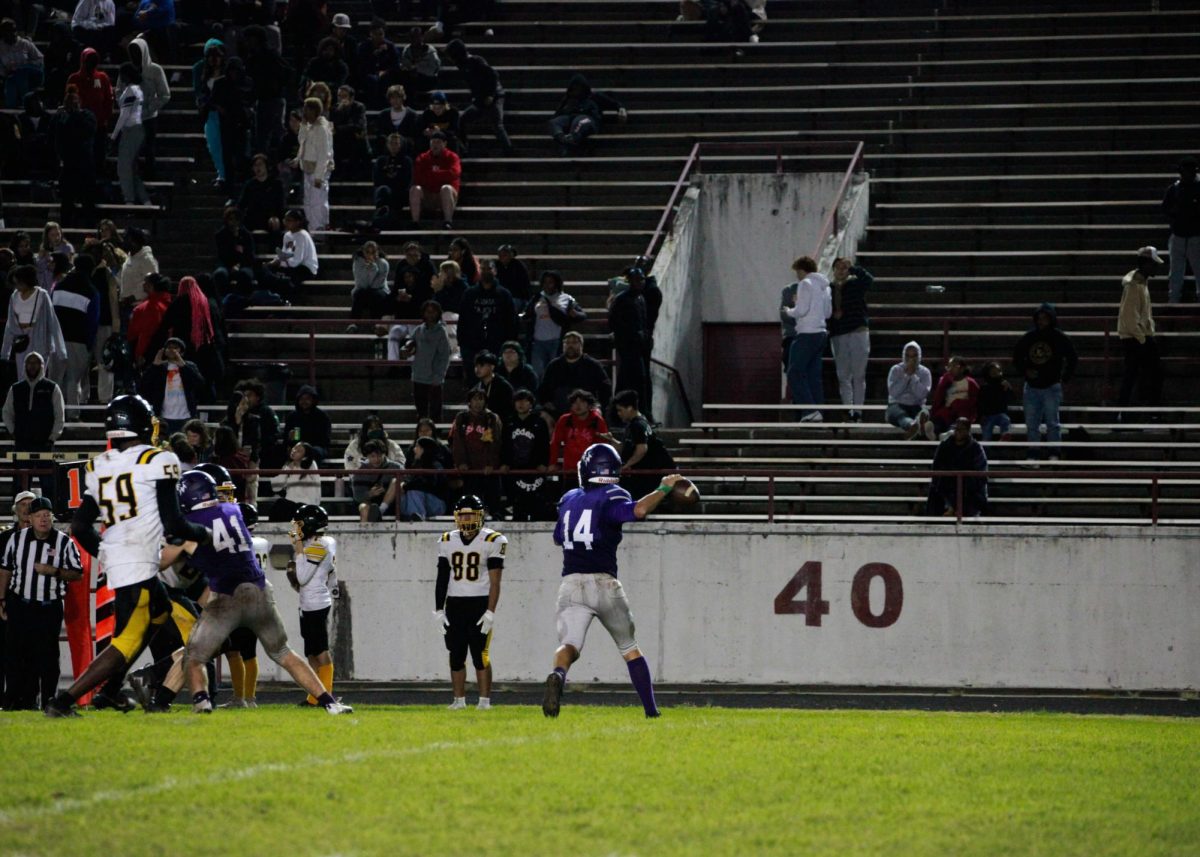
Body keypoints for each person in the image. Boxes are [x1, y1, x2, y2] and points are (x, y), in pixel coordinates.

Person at [45, 395, 210, 718]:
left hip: (120, 557)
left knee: (160, 612)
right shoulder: (158, 460)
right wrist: (203, 535)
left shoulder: (99, 465)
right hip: (137, 560)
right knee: (127, 639)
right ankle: (63, 701)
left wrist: (107, 553)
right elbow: (174, 522)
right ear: (142, 424)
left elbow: (79, 526)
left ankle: (108, 692)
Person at [160, 472, 350, 714]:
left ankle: (201, 702)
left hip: (226, 595)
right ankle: (329, 702)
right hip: (259, 590)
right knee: (283, 652)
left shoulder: (191, 523)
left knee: (195, 655)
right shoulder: (234, 512)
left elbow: (164, 561)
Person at [542, 443, 682, 718]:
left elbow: (559, 537)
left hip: (570, 583)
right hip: (604, 584)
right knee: (629, 648)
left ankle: (558, 674)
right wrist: (663, 489)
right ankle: (651, 712)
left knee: (569, 645)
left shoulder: (570, 498)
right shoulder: (613, 494)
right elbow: (638, 511)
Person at [0, 496, 83, 710]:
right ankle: (15, 701)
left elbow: (77, 573)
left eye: (47, 515)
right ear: (30, 518)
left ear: (52, 517)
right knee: (15, 654)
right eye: (38, 515)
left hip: (49, 606)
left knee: (47, 656)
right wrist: (1, 599)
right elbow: (5, 570)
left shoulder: (64, 541)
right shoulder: (17, 539)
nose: (43, 519)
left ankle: (48, 700)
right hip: (20, 603)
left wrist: (53, 571)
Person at [434, 495, 504, 710]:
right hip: (455, 604)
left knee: (479, 655)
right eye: (462, 515)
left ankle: (484, 701)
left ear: (480, 516)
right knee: (456, 654)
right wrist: (438, 609)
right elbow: (442, 577)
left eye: (470, 515)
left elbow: (495, 581)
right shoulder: (447, 540)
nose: (466, 519)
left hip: (479, 603)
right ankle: (458, 701)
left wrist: (490, 611)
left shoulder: (493, 540)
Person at [285, 503, 339, 707]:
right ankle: (316, 695)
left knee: (320, 651)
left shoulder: (319, 545)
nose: (296, 528)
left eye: (299, 524)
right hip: (310, 602)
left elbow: (302, 576)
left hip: (315, 603)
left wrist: (298, 546)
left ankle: (326, 696)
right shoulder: (324, 541)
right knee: (311, 652)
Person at [1012, 302, 1078, 462]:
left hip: (1051, 386)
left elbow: (1072, 357)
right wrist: (1025, 371)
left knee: (1052, 422)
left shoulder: (1059, 337)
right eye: (1039, 318)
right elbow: (1016, 357)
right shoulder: (1029, 337)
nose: (1041, 321)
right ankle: (1033, 452)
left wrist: (1064, 377)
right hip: (1032, 387)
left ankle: (1054, 451)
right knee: (1031, 422)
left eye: (1045, 318)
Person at [2, 353, 65, 502]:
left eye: (36, 363)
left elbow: (60, 415)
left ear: (42, 366)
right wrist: (14, 432)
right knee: (20, 486)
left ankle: (51, 514)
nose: (32, 366)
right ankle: (18, 517)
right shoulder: (16, 388)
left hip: (45, 444)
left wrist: (52, 438)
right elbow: (6, 412)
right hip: (22, 444)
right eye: (29, 363)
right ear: (25, 366)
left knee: (48, 484)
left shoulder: (52, 388)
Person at [50, 255, 100, 420]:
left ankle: (53, 413)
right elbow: (92, 322)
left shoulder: (58, 286)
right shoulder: (91, 291)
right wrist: (89, 343)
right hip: (78, 341)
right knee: (73, 380)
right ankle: (72, 415)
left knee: (55, 378)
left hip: (57, 340)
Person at [783, 256, 832, 422]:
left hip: (807, 333)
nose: (797, 276)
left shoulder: (805, 284)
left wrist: (789, 309)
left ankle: (809, 410)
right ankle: (819, 411)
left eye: (797, 272)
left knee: (794, 372)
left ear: (802, 270)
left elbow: (801, 310)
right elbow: (828, 313)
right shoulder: (825, 287)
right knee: (813, 375)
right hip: (821, 333)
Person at [1118, 247, 1164, 413]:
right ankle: (1136, 411)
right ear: (1146, 264)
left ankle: (1127, 412)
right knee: (1145, 375)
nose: (1156, 268)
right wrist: (1143, 339)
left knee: (1136, 375)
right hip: (1136, 338)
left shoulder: (1140, 283)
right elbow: (1130, 318)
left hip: (1137, 336)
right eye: (1153, 264)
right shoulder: (1134, 286)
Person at [444, 39, 511, 155]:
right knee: (462, 119)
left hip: (494, 97)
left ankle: (508, 151)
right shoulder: (462, 65)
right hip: (480, 100)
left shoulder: (476, 61)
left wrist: (490, 95)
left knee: (497, 125)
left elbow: (493, 76)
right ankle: (465, 148)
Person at [0, 490, 36, 704]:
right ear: (15, 509)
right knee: (6, 651)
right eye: (22, 504)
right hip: (11, 600)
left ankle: (30, 698)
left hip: (36, 601)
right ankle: (7, 699)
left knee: (33, 653)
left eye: (31, 504)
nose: (26, 508)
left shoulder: (47, 536)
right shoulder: (5, 537)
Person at [2, 265, 66, 382]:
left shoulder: (42, 295)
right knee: (22, 376)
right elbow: (10, 325)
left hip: (39, 338)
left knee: (38, 375)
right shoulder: (14, 296)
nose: (17, 286)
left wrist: (60, 350)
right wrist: (5, 352)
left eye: (20, 283)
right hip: (21, 339)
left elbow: (52, 321)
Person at [827, 257, 873, 421]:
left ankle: (858, 411)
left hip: (857, 330)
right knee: (843, 375)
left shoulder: (855, 284)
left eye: (844, 268)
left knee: (859, 374)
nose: (841, 270)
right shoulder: (828, 289)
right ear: (833, 270)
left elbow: (869, 280)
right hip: (839, 333)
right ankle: (848, 409)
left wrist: (853, 269)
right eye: (838, 267)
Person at [611, 389, 675, 499]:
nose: (619, 414)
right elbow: (626, 446)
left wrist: (627, 465)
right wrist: (611, 439)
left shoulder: (638, 425)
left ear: (630, 408)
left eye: (620, 410)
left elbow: (641, 449)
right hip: (645, 475)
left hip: (647, 476)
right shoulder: (637, 423)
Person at [525, 270, 588, 378]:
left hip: (556, 341)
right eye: (545, 282)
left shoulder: (566, 298)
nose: (547, 285)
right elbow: (527, 312)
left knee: (555, 373)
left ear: (556, 283)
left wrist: (574, 314)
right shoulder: (537, 297)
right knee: (538, 373)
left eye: (550, 282)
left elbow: (582, 315)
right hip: (538, 341)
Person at [450, 389, 504, 514]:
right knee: (471, 504)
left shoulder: (491, 418)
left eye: (481, 399)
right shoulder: (461, 418)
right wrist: (461, 462)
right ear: (469, 401)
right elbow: (457, 442)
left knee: (493, 503)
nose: (477, 403)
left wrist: (491, 463)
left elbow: (494, 442)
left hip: (488, 470)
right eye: (474, 399)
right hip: (469, 469)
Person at [139, 337, 208, 435]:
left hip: (186, 417)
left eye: (175, 348)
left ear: (182, 352)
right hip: (164, 418)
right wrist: (154, 365)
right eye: (169, 347)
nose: (171, 350)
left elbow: (200, 384)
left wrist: (183, 366)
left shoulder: (190, 366)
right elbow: (143, 385)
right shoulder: (159, 368)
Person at [538, 332, 611, 424]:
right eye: (567, 343)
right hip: (558, 408)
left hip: (586, 407)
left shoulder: (593, 365)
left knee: (597, 415)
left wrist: (598, 405)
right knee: (544, 417)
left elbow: (605, 387)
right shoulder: (554, 365)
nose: (570, 345)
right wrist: (546, 402)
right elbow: (544, 387)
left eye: (574, 342)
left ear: (581, 345)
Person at [607, 268, 650, 420]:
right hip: (627, 347)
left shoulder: (640, 299)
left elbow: (644, 322)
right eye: (636, 280)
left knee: (637, 381)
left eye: (641, 280)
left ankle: (639, 413)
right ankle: (617, 415)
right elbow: (613, 322)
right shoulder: (622, 299)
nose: (639, 283)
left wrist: (645, 337)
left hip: (638, 347)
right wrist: (628, 337)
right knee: (628, 381)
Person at [52, 85, 98, 226]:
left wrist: (74, 116)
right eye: (69, 103)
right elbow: (54, 136)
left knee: (88, 200)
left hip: (85, 164)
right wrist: (59, 117)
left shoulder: (87, 116)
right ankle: (65, 228)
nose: (72, 106)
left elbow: (88, 132)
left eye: (75, 103)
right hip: (68, 164)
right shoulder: (61, 118)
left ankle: (90, 227)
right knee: (67, 201)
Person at [501, 389, 550, 521]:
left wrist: (543, 463)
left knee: (537, 509)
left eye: (525, 401)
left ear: (531, 404)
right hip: (515, 471)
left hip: (535, 471)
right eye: (518, 401)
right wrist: (505, 463)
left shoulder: (539, 422)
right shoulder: (509, 422)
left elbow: (545, 445)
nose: (521, 404)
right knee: (518, 510)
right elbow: (504, 445)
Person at [549, 73, 626, 156]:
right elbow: (557, 115)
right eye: (574, 88)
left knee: (580, 121)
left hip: (589, 119)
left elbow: (613, 103)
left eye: (579, 88)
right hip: (570, 118)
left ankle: (571, 140)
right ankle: (564, 140)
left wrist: (621, 108)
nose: (577, 90)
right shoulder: (568, 99)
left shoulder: (594, 97)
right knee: (554, 122)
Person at [400, 300, 452, 420]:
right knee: (420, 410)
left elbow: (445, 356)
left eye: (433, 312)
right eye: (427, 312)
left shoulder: (441, 332)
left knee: (435, 411)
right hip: (418, 375)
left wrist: (439, 376)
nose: (430, 315)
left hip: (434, 377)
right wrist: (406, 348)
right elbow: (410, 342)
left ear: (438, 313)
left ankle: (436, 434)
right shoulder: (419, 329)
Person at [926, 417, 988, 518]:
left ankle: (955, 509)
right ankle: (947, 509)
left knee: (968, 492)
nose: (958, 432)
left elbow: (981, 474)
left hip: (969, 488)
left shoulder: (976, 448)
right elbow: (936, 468)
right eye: (956, 429)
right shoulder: (944, 446)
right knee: (936, 489)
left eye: (962, 429)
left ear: (968, 431)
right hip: (946, 484)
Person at [549, 389, 609, 492]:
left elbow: (603, 446)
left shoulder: (597, 421)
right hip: (570, 471)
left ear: (589, 405)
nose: (578, 405)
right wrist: (552, 463)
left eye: (582, 402)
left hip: (591, 471)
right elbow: (555, 443)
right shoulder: (564, 420)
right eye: (575, 402)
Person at [459, 268, 518, 373]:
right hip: (473, 344)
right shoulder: (469, 293)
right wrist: (463, 343)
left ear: (495, 271)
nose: (486, 272)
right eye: (483, 269)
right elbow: (463, 319)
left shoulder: (504, 294)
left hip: (497, 343)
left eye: (489, 268)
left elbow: (511, 321)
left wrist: (509, 342)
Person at [65, 47, 112, 174]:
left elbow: (107, 99)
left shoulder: (101, 78)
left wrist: (105, 117)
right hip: (80, 124)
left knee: (99, 153)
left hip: (99, 123)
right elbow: (70, 100)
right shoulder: (74, 78)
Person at [128, 36, 169, 177]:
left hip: (149, 116)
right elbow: (119, 90)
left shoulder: (155, 70)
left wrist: (150, 108)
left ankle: (150, 174)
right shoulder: (128, 69)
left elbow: (164, 94)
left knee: (148, 148)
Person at [1163, 156, 1200, 304]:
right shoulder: (1174, 189)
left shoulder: (1196, 188)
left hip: (1195, 235)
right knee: (1175, 271)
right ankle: (1173, 298)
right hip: (1179, 234)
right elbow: (1166, 207)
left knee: (1198, 269)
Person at [261, 208, 318, 302]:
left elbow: (297, 260)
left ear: (297, 222)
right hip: (290, 265)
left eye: (289, 220)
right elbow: (284, 252)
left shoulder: (303, 236)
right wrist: (273, 262)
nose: (285, 223)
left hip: (304, 268)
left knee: (287, 278)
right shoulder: (287, 235)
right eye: (285, 220)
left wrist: (282, 260)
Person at [295, 96, 334, 231]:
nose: (304, 112)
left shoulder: (322, 129)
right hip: (307, 169)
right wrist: (303, 125)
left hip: (318, 170)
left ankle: (318, 228)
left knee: (317, 202)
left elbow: (324, 154)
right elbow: (301, 140)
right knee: (309, 202)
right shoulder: (309, 126)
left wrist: (319, 176)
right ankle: (311, 227)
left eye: (307, 109)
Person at [193, 38, 227, 187]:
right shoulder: (203, 72)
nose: (215, 58)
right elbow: (201, 93)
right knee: (213, 145)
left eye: (217, 55)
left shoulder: (228, 72)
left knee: (226, 146)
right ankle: (221, 173)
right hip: (211, 114)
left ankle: (226, 175)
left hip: (226, 115)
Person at [410, 130, 460, 229]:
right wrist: (441, 175)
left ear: (445, 143)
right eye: (433, 142)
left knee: (446, 188)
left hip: (445, 196)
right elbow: (417, 176)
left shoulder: (452, 157)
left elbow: (454, 173)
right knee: (415, 189)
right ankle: (415, 223)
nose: (435, 145)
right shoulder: (422, 157)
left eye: (438, 142)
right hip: (428, 195)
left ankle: (448, 222)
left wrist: (431, 175)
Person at [885, 341, 933, 439]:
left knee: (924, 412)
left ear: (919, 356)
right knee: (897, 414)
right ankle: (913, 425)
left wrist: (913, 377)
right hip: (897, 404)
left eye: (914, 356)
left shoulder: (925, 372)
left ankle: (919, 422)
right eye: (908, 356)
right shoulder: (896, 369)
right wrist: (906, 376)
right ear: (903, 355)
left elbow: (922, 394)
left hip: (917, 405)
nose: (911, 359)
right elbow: (894, 393)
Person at [928, 356, 979, 439]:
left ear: (962, 368)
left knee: (958, 421)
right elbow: (938, 398)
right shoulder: (945, 380)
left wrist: (959, 403)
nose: (951, 369)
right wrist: (945, 381)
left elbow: (975, 399)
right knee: (941, 418)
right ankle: (933, 433)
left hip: (963, 411)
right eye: (949, 366)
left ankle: (950, 432)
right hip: (948, 410)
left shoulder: (970, 382)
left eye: (955, 366)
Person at [125, 272, 171, 363]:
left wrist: (139, 353)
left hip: (148, 351)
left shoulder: (152, 306)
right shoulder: (164, 302)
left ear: (151, 286)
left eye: (145, 282)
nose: (143, 284)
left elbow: (146, 332)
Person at [353, 439, 404, 522]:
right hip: (370, 503)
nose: (376, 459)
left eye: (379, 455)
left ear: (384, 454)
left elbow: (405, 484)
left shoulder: (396, 467)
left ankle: (380, 511)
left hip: (392, 505)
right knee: (363, 508)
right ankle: (364, 534)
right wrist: (370, 494)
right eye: (372, 456)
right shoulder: (360, 471)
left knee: (396, 481)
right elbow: (357, 496)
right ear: (367, 456)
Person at [270, 441, 321, 522]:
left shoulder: (311, 465)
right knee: (279, 504)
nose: (294, 451)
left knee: (285, 506)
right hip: (291, 505)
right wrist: (288, 469)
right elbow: (276, 487)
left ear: (305, 457)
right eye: (294, 448)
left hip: (306, 506)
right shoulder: (288, 466)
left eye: (299, 451)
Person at [372, 132, 413, 230]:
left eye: (396, 143)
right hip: (384, 192)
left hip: (400, 192)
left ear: (401, 145)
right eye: (391, 143)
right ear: (387, 144)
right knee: (383, 190)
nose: (394, 146)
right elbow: (377, 179)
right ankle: (381, 216)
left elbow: (406, 180)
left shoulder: (406, 161)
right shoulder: (381, 160)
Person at [214, 206, 257, 298]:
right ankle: (223, 300)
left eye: (236, 219)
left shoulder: (246, 235)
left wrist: (239, 264)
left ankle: (241, 299)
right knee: (219, 274)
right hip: (226, 265)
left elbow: (250, 255)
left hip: (244, 265)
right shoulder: (221, 235)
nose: (233, 222)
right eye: (231, 219)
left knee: (245, 274)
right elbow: (221, 255)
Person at [0, 18, 44, 109]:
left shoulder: (25, 43)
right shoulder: (1, 47)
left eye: (14, 30)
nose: (13, 33)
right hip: (11, 75)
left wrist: (23, 65)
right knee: (11, 79)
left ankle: (24, 101)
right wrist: (6, 71)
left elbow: (39, 59)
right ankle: (12, 105)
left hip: (32, 73)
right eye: (9, 31)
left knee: (20, 72)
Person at [331, 84, 371, 179]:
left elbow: (358, 126)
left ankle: (355, 175)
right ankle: (337, 175)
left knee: (359, 143)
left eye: (344, 96)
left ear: (351, 97)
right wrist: (340, 111)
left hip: (355, 141)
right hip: (341, 142)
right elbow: (333, 126)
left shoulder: (359, 107)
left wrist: (340, 129)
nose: (341, 99)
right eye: (339, 96)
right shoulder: (335, 109)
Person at [350, 240, 390, 328]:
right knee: (359, 294)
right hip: (362, 290)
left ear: (377, 252)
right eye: (367, 252)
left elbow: (377, 285)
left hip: (380, 290)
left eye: (373, 252)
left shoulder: (383, 264)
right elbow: (361, 284)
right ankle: (353, 323)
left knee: (375, 295)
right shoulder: (358, 262)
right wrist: (367, 270)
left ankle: (376, 324)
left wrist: (373, 268)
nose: (370, 255)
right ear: (363, 252)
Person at [399, 26, 440, 104]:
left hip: (428, 79)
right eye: (413, 37)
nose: (415, 39)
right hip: (410, 78)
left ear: (422, 37)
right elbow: (404, 63)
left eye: (417, 37)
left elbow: (435, 68)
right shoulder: (407, 50)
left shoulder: (431, 51)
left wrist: (418, 70)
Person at [472, 351, 515, 425]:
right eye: (476, 366)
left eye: (481, 365)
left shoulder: (503, 386)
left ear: (492, 367)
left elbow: (509, 412)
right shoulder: (476, 388)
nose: (477, 369)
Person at [976, 362, 1013, 443]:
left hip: (1000, 413)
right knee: (986, 433)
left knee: (1006, 419)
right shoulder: (984, 387)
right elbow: (980, 403)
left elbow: (1011, 398)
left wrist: (1008, 388)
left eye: (998, 371)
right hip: (988, 416)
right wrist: (981, 416)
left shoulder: (1004, 385)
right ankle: (985, 450)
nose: (996, 373)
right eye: (993, 371)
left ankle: (1005, 435)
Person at [494, 245, 532, 312]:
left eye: (505, 255)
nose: (502, 258)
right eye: (500, 255)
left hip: (516, 297)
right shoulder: (496, 266)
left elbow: (523, 286)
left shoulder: (518, 266)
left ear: (511, 255)